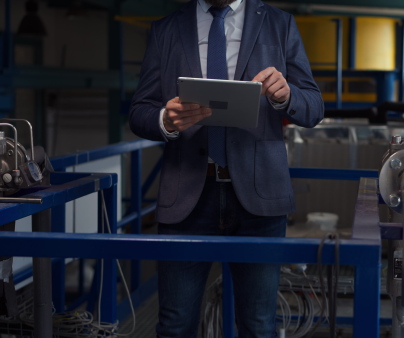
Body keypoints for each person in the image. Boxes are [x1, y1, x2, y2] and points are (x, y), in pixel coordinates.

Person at [128, 0, 324, 336]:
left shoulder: (280, 24)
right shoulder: (167, 28)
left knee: (258, 325)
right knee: (175, 325)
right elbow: (139, 111)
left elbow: (314, 107)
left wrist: (286, 96)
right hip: (187, 196)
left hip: (259, 198)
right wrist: (165, 119)